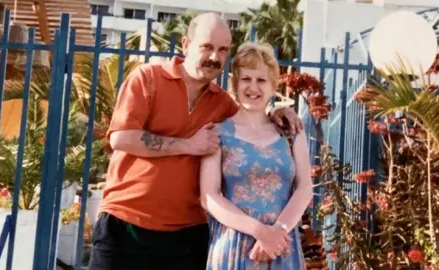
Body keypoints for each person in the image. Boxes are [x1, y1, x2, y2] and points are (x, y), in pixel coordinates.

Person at [88, 13, 303, 270]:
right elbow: (122, 138)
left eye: (223, 50)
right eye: (207, 46)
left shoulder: (223, 104)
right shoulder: (148, 79)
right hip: (125, 223)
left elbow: (251, 115)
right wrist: (189, 145)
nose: (215, 57)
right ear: (186, 44)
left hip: (186, 235)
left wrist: (277, 112)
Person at [200, 42, 313, 269]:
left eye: (261, 80)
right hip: (234, 247)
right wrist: (261, 232)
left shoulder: (291, 133)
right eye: (246, 79)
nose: (253, 87)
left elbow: (305, 189)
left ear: (273, 86)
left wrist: (277, 233)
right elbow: (209, 197)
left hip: (282, 246)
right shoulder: (217, 133)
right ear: (235, 84)